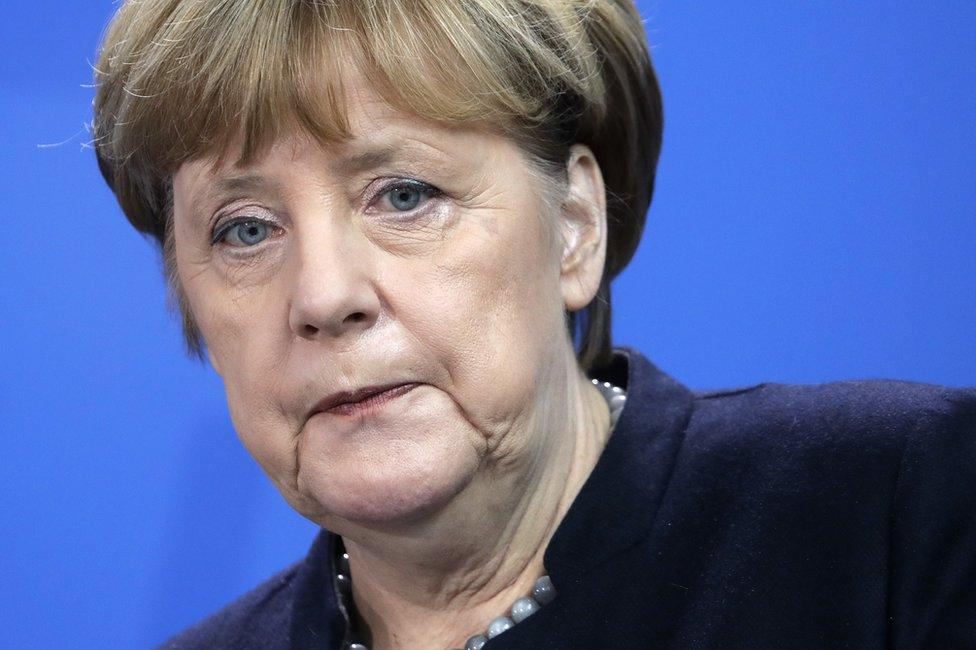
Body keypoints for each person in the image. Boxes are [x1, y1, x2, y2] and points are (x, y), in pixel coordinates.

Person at [91, 1, 976, 648]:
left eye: (406, 195)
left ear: (574, 226)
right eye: (246, 229)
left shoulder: (896, 507)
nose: (323, 297)